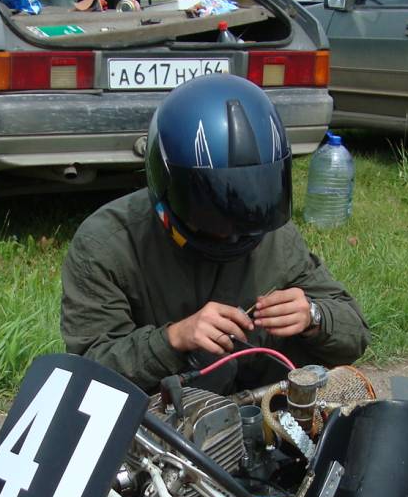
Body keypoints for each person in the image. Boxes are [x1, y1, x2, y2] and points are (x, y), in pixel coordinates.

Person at [60, 75, 369, 393]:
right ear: (168, 187)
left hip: (260, 408)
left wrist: (314, 317)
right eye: (213, 216)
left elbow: (355, 333)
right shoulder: (107, 245)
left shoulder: (272, 235)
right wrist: (173, 339)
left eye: (246, 209)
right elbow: (89, 367)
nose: (231, 233)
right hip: (160, 412)